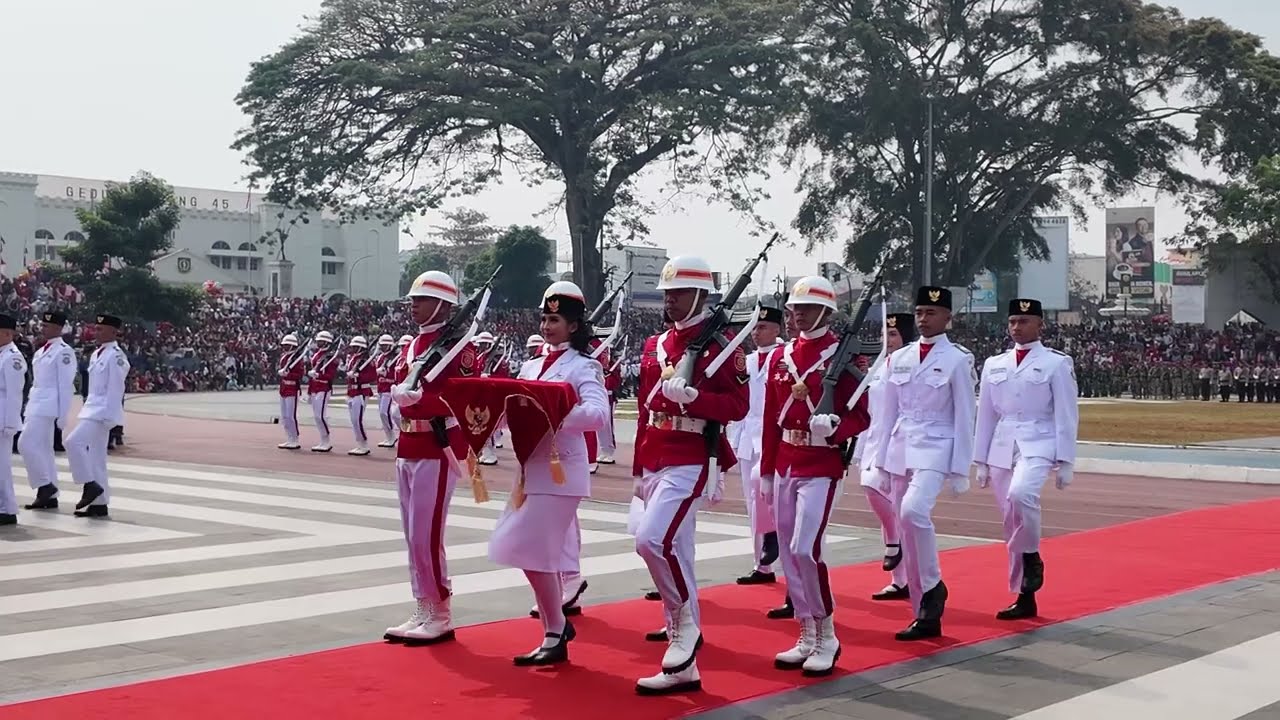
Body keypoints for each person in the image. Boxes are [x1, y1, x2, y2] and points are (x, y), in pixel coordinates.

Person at [632, 255, 749, 696]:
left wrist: (696, 397)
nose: (671, 300)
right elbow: (645, 411)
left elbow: (739, 407)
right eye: (667, 293)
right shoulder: (656, 345)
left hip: (691, 456)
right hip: (657, 456)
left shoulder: (723, 348)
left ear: (701, 295)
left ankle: (684, 628)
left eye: (679, 293)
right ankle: (685, 666)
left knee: (650, 541)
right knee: (677, 552)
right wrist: (639, 467)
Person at [492, 281, 609, 665]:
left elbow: (597, 414)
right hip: (530, 470)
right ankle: (556, 626)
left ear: (574, 325)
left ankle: (555, 631)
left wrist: (553, 414)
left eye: (555, 319)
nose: (546, 326)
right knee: (518, 547)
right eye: (544, 318)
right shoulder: (529, 365)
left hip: (562, 473)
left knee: (530, 548)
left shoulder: (583, 366)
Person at [760, 276, 871, 676]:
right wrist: (767, 470)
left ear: (826, 311)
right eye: (794, 307)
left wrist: (836, 428)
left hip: (821, 463)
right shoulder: (780, 355)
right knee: (789, 551)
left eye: (805, 307)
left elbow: (863, 414)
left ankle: (828, 634)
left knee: (807, 548)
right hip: (787, 459)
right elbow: (772, 420)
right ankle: (805, 632)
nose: (797, 314)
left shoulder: (845, 354)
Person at [874, 287, 975, 641]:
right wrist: (881, 462)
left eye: (931, 313)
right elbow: (886, 415)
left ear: (948, 317)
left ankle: (932, 587)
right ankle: (923, 611)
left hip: (936, 447)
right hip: (902, 448)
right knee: (906, 529)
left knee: (913, 512)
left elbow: (965, 415)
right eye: (918, 312)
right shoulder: (898, 358)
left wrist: (962, 468)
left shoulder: (958, 360)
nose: (922, 318)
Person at [382, 271, 476, 646]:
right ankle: (422, 605)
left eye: (420, 298)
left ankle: (440, 611)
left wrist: (419, 400)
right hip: (408, 444)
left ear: (442, 304)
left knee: (427, 534)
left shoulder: (460, 348)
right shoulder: (413, 345)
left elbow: (465, 399)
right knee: (411, 536)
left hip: (437, 449)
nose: (413, 304)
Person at [974, 298, 1078, 620]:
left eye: (1024, 321)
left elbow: (1066, 413)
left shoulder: (1056, 363)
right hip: (1003, 445)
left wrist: (1066, 460)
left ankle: (1032, 556)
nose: (1017, 327)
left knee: (1022, 495)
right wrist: (980, 460)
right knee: (1010, 521)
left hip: (1039, 440)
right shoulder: (994, 364)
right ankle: (1024, 594)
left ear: (1039, 325)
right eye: (1013, 321)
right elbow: (986, 415)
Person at [853, 312, 917, 602]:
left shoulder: (912, 365)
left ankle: (905, 565)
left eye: (893, 335)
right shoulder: (879, 366)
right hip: (874, 440)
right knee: (884, 506)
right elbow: (868, 411)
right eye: (884, 335)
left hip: (902, 443)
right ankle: (899, 579)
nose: (887, 341)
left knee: (897, 509)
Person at [732, 304, 784, 586]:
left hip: (775, 436)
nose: (756, 332)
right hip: (749, 437)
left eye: (762, 327)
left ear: (777, 330)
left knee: (775, 501)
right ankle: (761, 565)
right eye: (754, 327)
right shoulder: (747, 361)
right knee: (752, 503)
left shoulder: (785, 357)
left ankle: (780, 552)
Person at [65, 313, 131, 518]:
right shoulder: (96, 354)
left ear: (114, 332)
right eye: (96, 328)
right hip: (91, 408)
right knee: (96, 457)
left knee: (72, 442)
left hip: (102, 412)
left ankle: (90, 485)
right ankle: (99, 504)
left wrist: (112, 416)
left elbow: (116, 388)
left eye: (101, 329)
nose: (97, 332)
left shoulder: (117, 356)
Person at [19, 311, 77, 510]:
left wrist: (63, 415)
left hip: (48, 406)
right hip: (36, 403)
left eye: (47, 326)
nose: (42, 328)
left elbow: (65, 386)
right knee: (44, 450)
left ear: (59, 328)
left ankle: (45, 485)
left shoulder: (64, 352)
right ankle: (50, 497)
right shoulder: (41, 350)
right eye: (42, 325)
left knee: (25, 443)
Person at [0, 313, 28, 526]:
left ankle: (8, 509)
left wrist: (11, 423)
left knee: (2, 466)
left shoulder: (13, 357)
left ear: (8, 333)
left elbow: (14, 393)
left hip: (3, 418)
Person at [344, 336, 378, 456]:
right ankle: (359, 444)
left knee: (357, 420)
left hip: (361, 392)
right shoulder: (353, 359)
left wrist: (358, 376)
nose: (353, 348)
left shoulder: (367, 360)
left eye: (355, 346)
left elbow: (372, 377)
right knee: (353, 421)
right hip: (352, 392)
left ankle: (364, 445)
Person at [307, 331, 339, 452]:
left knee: (320, 416)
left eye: (320, 341)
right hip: (315, 387)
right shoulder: (317, 354)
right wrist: (310, 391)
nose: (318, 343)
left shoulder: (331, 357)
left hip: (324, 387)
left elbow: (331, 375)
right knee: (316, 417)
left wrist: (318, 375)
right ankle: (322, 440)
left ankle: (326, 440)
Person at [275, 333, 305, 450]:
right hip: (284, 388)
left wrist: (289, 374)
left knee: (290, 416)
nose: (284, 347)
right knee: (284, 416)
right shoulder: (285, 357)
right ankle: (289, 437)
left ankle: (295, 438)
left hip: (292, 389)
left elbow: (299, 375)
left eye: (287, 345)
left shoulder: (297, 359)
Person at [374, 334, 399, 448]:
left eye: (386, 345)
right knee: (382, 414)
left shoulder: (395, 357)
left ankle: (392, 436)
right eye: (382, 345)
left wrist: (386, 374)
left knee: (385, 413)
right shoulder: (380, 357)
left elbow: (396, 374)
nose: (383, 347)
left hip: (389, 388)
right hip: (380, 388)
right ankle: (388, 436)